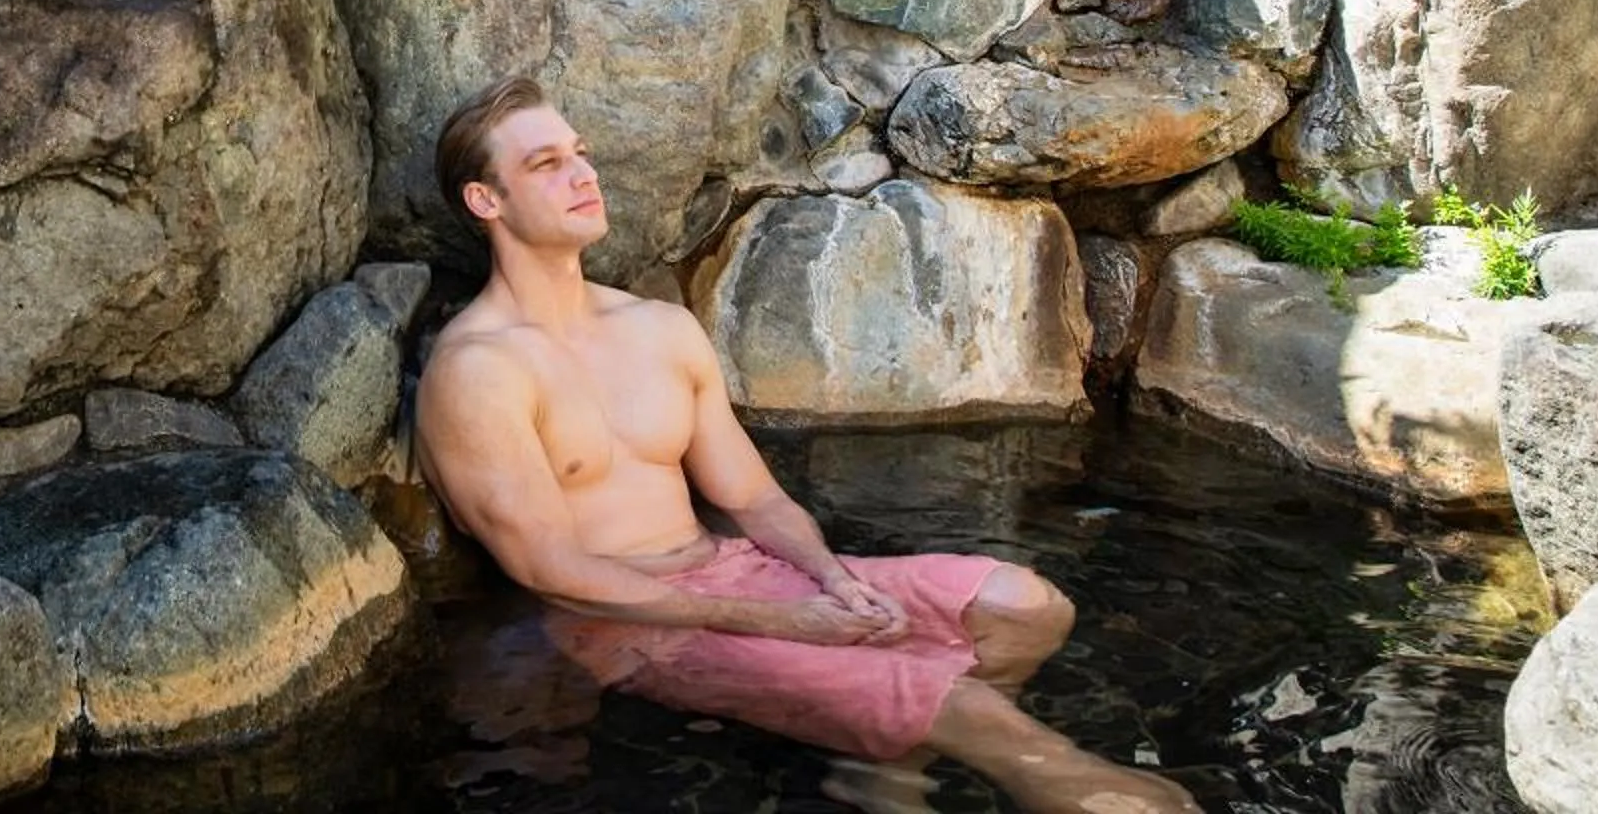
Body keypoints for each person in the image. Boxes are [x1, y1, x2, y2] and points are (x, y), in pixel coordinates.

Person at [412, 74, 1197, 814]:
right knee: (992, 729)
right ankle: (946, 743)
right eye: (547, 164)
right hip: (633, 626)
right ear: (486, 199)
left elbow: (751, 497)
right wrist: (788, 624)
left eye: (580, 153)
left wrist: (830, 580)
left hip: (737, 574)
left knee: (1025, 607)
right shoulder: (480, 370)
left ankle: (890, 759)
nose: (583, 174)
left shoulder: (655, 328)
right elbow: (555, 576)